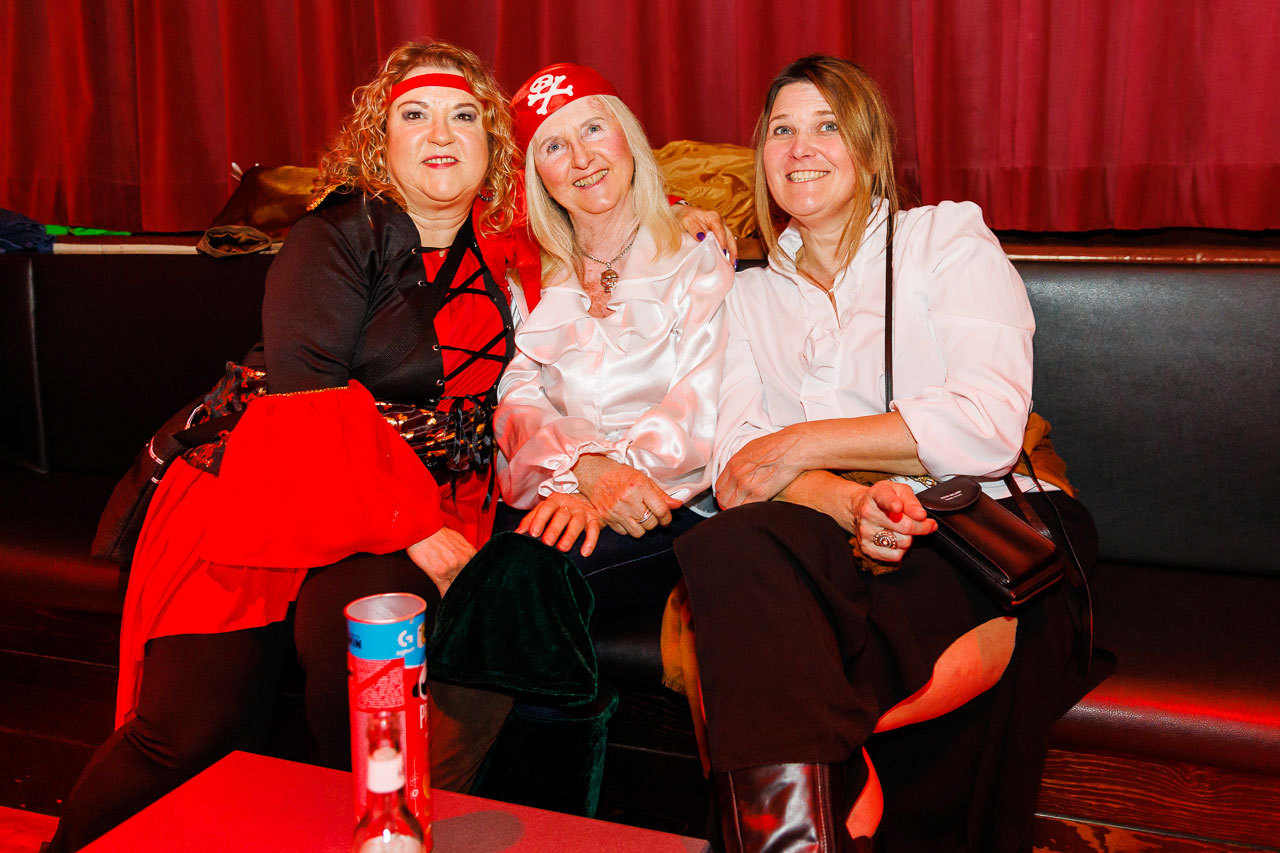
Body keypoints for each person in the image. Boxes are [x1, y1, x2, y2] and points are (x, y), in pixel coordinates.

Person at [48, 41, 545, 853]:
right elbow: (306, 399)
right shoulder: (338, 232)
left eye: (464, 115)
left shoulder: (511, 247)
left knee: (364, 697)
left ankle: (368, 836)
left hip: (394, 510)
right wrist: (417, 523)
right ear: (379, 141)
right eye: (414, 115)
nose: (440, 133)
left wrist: (689, 220)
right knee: (191, 732)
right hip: (266, 484)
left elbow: (613, 220)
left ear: (492, 143)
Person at [674, 56, 1097, 852]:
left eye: (827, 126)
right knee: (731, 543)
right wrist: (850, 501)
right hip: (836, 526)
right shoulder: (747, 296)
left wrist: (802, 442)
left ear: (869, 149)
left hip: (986, 521)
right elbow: (738, 469)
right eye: (781, 130)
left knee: (777, 659)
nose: (801, 147)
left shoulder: (944, 239)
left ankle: (810, 818)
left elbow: (987, 423)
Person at [493, 63, 735, 617]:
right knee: (491, 575)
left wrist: (610, 482)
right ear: (537, 175)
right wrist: (584, 473)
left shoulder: (696, 257)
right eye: (554, 146)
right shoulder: (528, 280)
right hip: (557, 488)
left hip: (669, 503)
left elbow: (701, 404)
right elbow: (516, 402)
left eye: (594, 129)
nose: (582, 158)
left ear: (628, 136)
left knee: (523, 589)